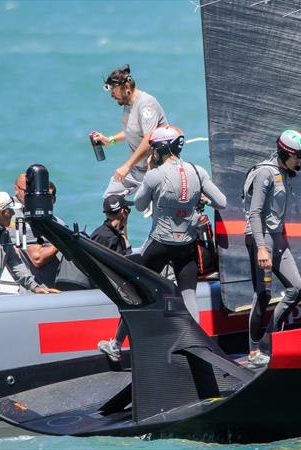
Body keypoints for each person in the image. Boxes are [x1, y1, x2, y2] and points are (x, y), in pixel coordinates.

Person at [98, 125, 227, 361]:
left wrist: (151, 179)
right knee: (189, 297)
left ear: (162, 148)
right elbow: (222, 202)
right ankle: (195, 349)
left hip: (159, 244)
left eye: (153, 149)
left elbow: (138, 204)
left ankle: (116, 344)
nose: (151, 153)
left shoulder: (155, 175)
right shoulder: (198, 172)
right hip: (187, 245)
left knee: (135, 294)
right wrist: (201, 199)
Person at [243, 130, 301, 367]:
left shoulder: (285, 172)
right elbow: (254, 213)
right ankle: (253, 352)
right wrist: (261, 248)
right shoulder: (266, 172)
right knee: (263, 295)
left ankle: (268, 340)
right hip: (260, 238)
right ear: (285, 154)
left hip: (277, 239)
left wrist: (282, 239)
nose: (300, 162)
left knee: (297, 288)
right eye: (298, 157)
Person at [89, 64, 168, 199]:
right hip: (137, 169)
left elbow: (148, 139)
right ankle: (119, 218)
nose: (112, 96)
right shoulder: (127, 103)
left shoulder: (146, 104)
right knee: (110, 199)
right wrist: (109, 140)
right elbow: (131, 131)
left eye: (114, 91)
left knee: (156, 212)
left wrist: (126, 166)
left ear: (126, 88)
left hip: (157, 168)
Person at [11, 173, 63, 289]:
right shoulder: (22, 220)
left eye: (49, 197)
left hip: (58, 284)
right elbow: (37, 258)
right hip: (37, 289)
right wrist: (63, 242)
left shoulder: (59, 222)